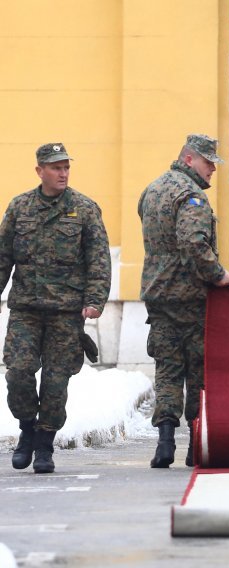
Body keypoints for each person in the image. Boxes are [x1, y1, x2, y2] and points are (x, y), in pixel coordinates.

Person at [0, 143, 111, 474]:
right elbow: (3, 256)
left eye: (66, 167)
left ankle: (45, 445)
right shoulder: (19, 207)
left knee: (55, 382)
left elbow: (99, 259)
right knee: (18, 373)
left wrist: (94, 300)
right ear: (40, 171)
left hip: (66, 312)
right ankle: (27, 428)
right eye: (55, 167)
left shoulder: (84, 209)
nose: (62, 173)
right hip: (25, 309)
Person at [139, 134, 229, 469]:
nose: (212, 170)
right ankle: (195, 445)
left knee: (166, 368)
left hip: (157, 294)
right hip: (191, 296)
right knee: (198, 372)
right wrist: (218, 274)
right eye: (208, 163)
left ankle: (164, 443)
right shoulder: (191, 195)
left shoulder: (151, 190)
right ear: (190, 158)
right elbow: (194, 243)